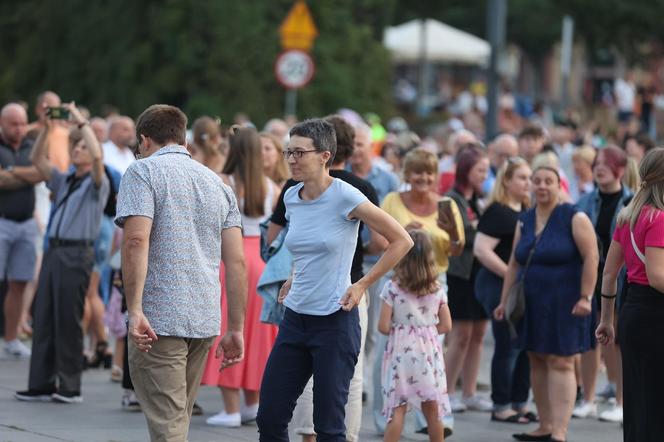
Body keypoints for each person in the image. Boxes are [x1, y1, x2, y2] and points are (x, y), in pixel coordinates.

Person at [256, 118, 413, 442]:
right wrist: (293, 275)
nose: (292, 160)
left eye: (300, 153)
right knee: (269, 419)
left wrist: (362, 284)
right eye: (290, 152)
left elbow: (401, 240)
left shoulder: (346, 196)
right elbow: (303, 245)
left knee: (328, 427)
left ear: (325, 155)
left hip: (335, 321)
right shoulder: (291, 196)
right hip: (296, 319)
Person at [114, 104, 247, 441]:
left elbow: (135, 240)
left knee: (168, 426)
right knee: (177, 419)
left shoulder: (142, 172)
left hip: (158, 317)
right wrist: (235, 328)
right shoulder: (217, 184)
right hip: (203, 316)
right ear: (181, 136)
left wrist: (135, 309)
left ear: (145, 140)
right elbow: (237, 262)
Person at [495, 166, 598, 442]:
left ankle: (559, 432)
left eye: (548, 182)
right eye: (536, 181)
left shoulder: (574, 216)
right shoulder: (525, 220)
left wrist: (586, 296)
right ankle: (544, 425)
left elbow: (591, 257)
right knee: (536, 358)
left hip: (567, 301)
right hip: (532, 301)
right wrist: (504, 300)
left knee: (562, 361)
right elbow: (515, 262)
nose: (541, 186)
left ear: (558, 185)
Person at [15, 102, 110, 403]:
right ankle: (41, 382)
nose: (78, 150)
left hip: (76, 253)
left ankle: (70, 385)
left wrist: (80, 121)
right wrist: (45, 128)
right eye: (75, 146)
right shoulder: (64, 179)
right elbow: (36, 159)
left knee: (68, 319)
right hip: (55, 252)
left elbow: (97, 155)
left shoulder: (98, 182)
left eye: (82, 146)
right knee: (44, 316)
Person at [378, 147, 464, 436]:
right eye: (417, 171)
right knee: (431, 399)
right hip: (415, 282)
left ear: (436, 176)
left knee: (399, 400)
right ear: (407, 173)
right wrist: (402, 230)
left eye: (429, 172)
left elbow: (457, 248)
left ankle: (401, 423)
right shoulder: (391, 200)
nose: (423, 177)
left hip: (427, 281)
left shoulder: (446, 205)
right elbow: (378, 240)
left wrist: (451, 231)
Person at [201, 126, 279, 428]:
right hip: (262, 261)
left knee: (229, 327)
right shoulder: (272, 186)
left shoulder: (224, 181)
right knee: (259, 334)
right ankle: (253, 402)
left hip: (232, 258)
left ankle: (230, 407)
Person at [596, 147, 664, 442]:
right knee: (657, 402)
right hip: (656, 314)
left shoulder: (628, 217)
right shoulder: (659, 219)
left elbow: (609, 274)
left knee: (638, 400)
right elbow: (657, 275)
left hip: (633, 311)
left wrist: (607, 320)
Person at [575, 146, 633, 423]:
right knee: (590, 339)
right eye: (597, 163)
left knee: (617, 339)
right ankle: (588, 398)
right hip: (590, 275)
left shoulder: (632, 202)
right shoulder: (585, 201)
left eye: (606, 164)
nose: (599, 168)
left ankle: (621, 401)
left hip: (621, 279)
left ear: (620, 169)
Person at [474, 157, 534, 423]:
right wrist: (510, 274)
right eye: (522, 177)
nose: (528, 183)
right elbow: (482, 250)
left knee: (524, 344)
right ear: (507, 181)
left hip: (523, 286)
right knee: (508, 344)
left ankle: (520, 401)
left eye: (529, 178)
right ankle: (501, 404)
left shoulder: (529, 209)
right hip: (497, 284)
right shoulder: (498, 211)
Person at [378, 229, 452, 442]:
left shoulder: (392, 288)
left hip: (401, 355)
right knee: (432, 409)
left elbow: (383, 326)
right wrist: (427, 331)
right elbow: (446, 325)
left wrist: (402, 330)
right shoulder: (437, 289)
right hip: (428, 355)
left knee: (398, 409)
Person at [444, 145, 493, 413]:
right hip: (460, 274)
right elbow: (464, 237)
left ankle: (469, 392)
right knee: (460, 334)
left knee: (478, 334)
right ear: (466, 170)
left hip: (478, 273)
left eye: (486, 170)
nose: (485, 175)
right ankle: (448, 391)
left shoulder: (479, 199)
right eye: (480, 170)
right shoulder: (452, 199)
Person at [348, 122, 400, 367]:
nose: (356, 149)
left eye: (360, 144)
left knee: (371, 324)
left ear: (370, 147)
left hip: (378, 262)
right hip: (350, 259)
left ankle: (365, 376)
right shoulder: (340, 176)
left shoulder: (387, 180)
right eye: (352, 144)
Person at [0, 103, 43, 357]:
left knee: (19, 282)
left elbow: (42, 173)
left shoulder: (31, 145)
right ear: (3, 123)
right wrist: (28, 175)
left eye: (22, 123)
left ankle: (12, 338)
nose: (19, 128)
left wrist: (11, 173)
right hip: (2, 220)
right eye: (14, 123)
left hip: (26, 223)